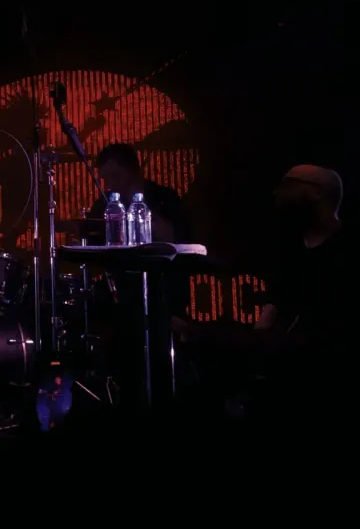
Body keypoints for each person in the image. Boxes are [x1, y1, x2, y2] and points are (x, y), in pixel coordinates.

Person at [171, 165, 346, 415]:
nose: (277, 193)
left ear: (317, 192)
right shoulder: (289, 252)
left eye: (288, 185)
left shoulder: (346, 251)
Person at [86, 143, 192, 243]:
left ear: (134, 171)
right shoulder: (103, 205)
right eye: (105, 179)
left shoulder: (166, 199)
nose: (109, 185)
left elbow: (185, 240)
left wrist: (168, 234)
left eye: (115, 176)